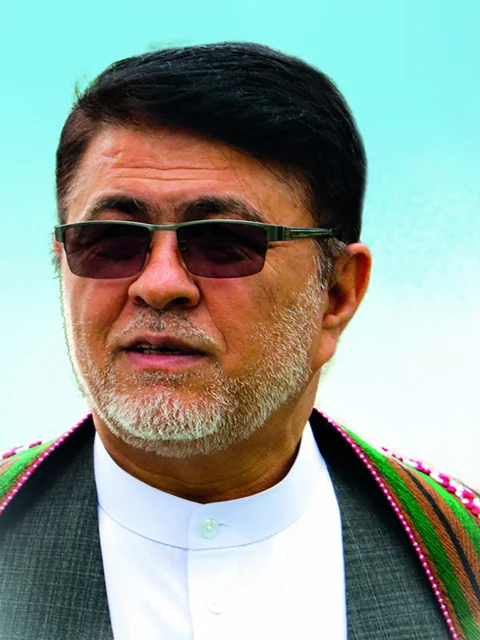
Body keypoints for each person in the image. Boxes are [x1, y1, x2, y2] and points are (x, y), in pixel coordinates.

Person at [0, 42, 478, 640]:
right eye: (112, 242)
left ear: (336, 294)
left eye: (223, 244)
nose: (160, 285)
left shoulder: (464, 562)